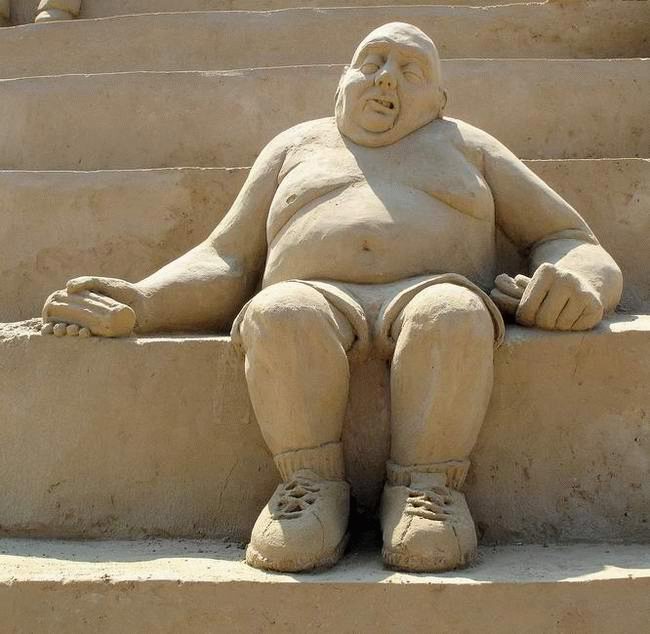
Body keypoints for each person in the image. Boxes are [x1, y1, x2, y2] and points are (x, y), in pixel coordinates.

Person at [42, 23, 622, 573]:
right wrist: (144, 301)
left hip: (432, 288)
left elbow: (569, 237)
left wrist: (582, 286)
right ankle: (310, 486)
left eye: (411, 70)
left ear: (439, 101)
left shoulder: (466, 145)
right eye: (372, 62)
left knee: (452, 315)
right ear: (340, 81)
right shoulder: (294, 145)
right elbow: (227, 259)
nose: (386, 77)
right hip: (311, 293)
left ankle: (427, 489)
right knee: (278, 312)